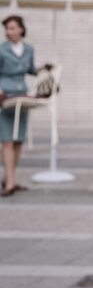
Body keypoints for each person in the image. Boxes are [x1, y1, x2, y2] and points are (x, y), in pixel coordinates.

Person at [0, 15, 41, 196]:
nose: (9, 32)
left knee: (18, 140)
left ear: (21, 30)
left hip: (22, 95)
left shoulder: (28, 50)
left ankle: (10, 177)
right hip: (5, 96)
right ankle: (9, 183)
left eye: (12, 28)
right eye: (7, 28)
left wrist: (44, 69)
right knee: (7, 139)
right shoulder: (1, 50)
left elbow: (31, 70)